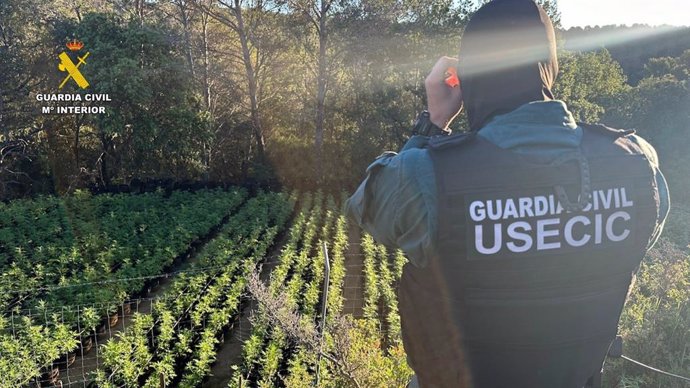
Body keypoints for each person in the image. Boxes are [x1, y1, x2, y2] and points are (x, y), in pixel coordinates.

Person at [345, 0, 670, 387]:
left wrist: (433, 123)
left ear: (468, 76)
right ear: (550, 68)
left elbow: (364, 210)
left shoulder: (426, 174)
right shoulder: (637, 163)